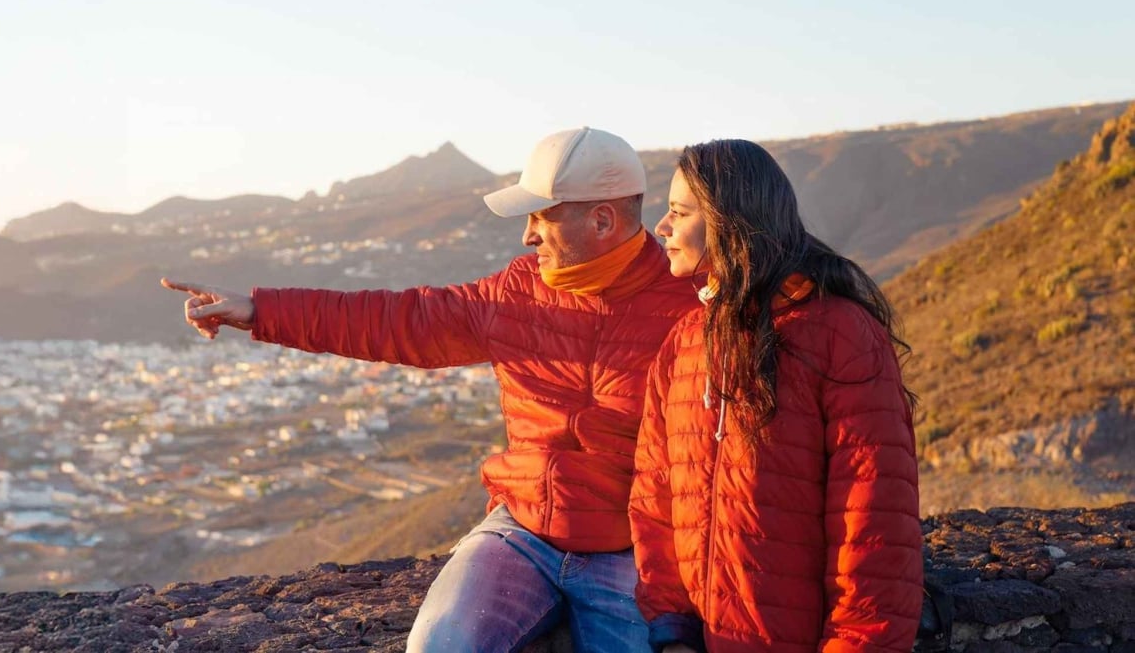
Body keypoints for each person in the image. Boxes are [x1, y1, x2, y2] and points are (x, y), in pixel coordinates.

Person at [163, 127, 695, 653]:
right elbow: (400, 321)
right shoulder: (516, 292)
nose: (527, 236)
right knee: (439, 645)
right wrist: (261, 311)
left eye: (541, 217)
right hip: (522, 531)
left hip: (632, 553)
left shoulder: (689, 309)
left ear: (602, 219)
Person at [628, 139, 921, 653]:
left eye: (679, 212)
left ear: (729, 219)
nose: (662, 227)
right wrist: (672, 632)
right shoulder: (685, 343)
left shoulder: (839, 334)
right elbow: (655, 504)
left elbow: (873, 525)